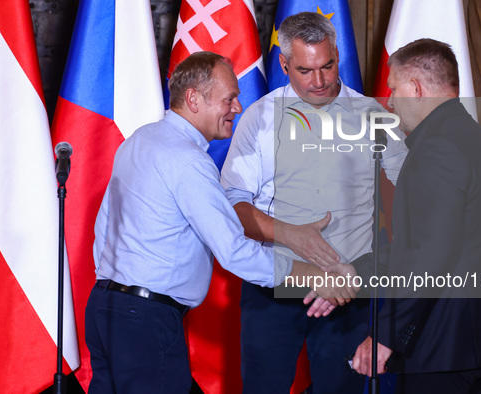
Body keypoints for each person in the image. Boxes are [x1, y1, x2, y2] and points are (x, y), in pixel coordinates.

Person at [85, 51, 357, 393]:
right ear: (193, 99)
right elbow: (235, 252)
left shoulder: (140, 139)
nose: (238, 108)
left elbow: (105, 227)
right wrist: (317, 276)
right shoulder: (188, 161)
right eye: (229, 98)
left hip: (105, 308)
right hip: (145, 320)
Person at [220, 12, 408, 393]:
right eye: (306, 71)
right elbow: (231, 208)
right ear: (285, 64)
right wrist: (291, 236)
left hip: (350, 291)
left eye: (328, 66)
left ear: (338, 55)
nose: (320, 81)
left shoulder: (373, 115)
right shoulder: (258, 118)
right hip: (272, 289)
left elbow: (420, 196)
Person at [351, 39, 481, 393]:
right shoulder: (468, 135)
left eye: (394, 88)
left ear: (416, 88)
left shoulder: (439, 146)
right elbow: (429, 245)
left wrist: (385, 336)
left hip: (445, 346)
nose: (391, 101)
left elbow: (429, 255)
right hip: (466, 342)